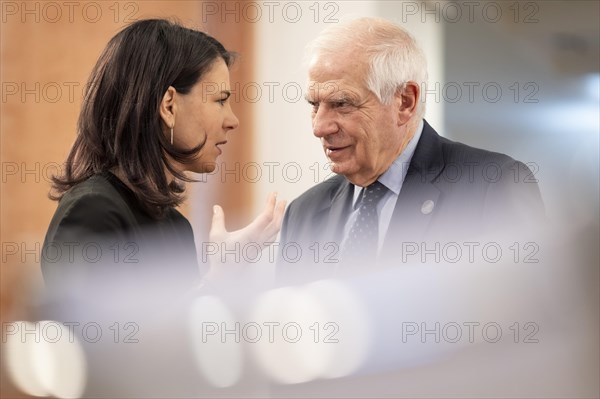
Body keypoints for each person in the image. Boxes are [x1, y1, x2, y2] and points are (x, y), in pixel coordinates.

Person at [278, 17, 544, 275]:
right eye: (314, 105)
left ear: (405, 102)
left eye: (342, 104)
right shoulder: (303, 215)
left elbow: (527, 312)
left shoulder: (493, 187)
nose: (319, 127)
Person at [42, 19, 285, 295]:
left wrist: (224, 275)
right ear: (169, 106)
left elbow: (181, 331)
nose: (232, 120)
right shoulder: (94, 211)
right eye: (220, 100)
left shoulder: (176, 226)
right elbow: (111, 335)